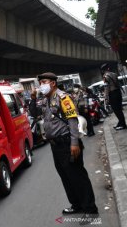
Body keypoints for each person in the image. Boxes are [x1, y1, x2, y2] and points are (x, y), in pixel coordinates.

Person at [30, 72, 98, 222]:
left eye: (44, 82)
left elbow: (72, 120)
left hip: (68, 143)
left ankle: (90, 210)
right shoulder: (45, 100)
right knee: (66, 177)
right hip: (55, 146)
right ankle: (77, 204)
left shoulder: (63, 97)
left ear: (53, 83)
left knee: (78, 177)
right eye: (40, 83)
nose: (41, 85)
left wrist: (74, 143)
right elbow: (34, 113)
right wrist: (33, 98)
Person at [101, 63, 126, 130]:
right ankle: (121, 123)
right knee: (119, 110)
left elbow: (106, 88)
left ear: (103, 70)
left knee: (116, 110)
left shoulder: (105, 77)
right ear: (108, 68)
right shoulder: (114, 74)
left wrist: (106, 99)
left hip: (112, 94)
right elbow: (118, 84)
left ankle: (123, 125)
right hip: (118, 93)